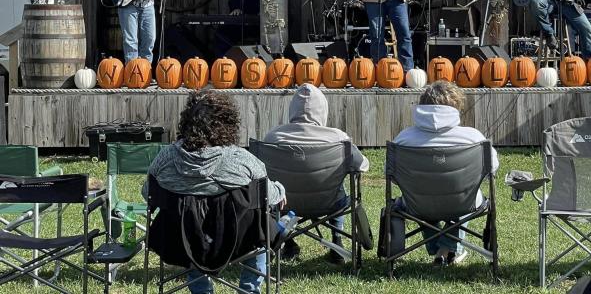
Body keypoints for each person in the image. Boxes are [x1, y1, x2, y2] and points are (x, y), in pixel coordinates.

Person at [146, 91, 287, 294]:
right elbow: (269, 195)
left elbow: (147, 193)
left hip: (184, 241)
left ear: (186, 121)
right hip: (239, 240)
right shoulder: (241, 160)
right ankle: (249, 289)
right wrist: (281, 190)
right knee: (261, 221)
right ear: (228, 123)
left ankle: (200, 290)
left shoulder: (165, 159)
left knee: (191, 224)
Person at [392, 80, 499, 266]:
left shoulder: (403, 139)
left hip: (417, 205)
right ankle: (447, 248)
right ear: (455, 107)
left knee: (419, 195)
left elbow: (393, 177)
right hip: (462, 204)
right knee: (466, 192)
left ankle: (440, 249)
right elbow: (492, 168)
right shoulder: (473, 138)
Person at [262, 83, 369, 263]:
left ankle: (288, 242)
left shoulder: (273, 138)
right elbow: (362, 165)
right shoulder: (338, 139)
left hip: (285, 203)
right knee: (339, 188)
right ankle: (337, 240)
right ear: (323, 109)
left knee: (275, 189)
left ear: (292, 109)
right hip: (329, 203)